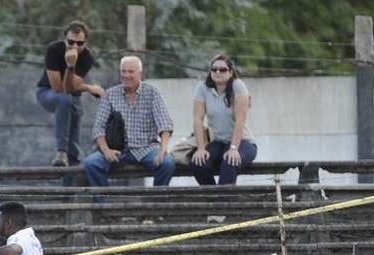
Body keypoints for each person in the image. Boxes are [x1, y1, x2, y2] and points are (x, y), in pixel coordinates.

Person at [83, 56, 175, 187]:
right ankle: (104, 199)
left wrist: (163, 149)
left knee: (167, 163)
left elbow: (165, 123)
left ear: (139, 73)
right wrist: (106, 150)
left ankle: (156, 198)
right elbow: (99, 128)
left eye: (131, 71)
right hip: (117, 149)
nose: (126, 75)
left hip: (147, 148)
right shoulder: (110, 94)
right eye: (123, 71)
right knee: (91, 163)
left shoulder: (152, 92)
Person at [36, 21, 104, 168]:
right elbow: (59, 87)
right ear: (64, 39)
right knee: (64, 100)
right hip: (47, 92)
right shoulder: (54, 50)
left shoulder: (87, 57)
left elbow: (71, 87)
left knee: (74, 120)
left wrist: (72, 68)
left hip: (73, 96)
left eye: (80, 43)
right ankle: (61, 151)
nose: (75, 47)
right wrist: (89, 87)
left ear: (86, 43)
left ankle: (72, 164)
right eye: (71, 42)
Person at [190, 55, 257, 185]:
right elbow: (197, 119)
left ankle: (224, 197)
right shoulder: (203, 88)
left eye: (222, 70)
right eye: (214, 69)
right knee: (198, 164)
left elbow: (240, 120)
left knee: (230, 161)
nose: (217, 72)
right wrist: (201, 148)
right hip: (218, 142)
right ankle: (213, 196)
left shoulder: (238, 86)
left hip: (242, 141)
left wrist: (234, 148)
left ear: (230, 72)